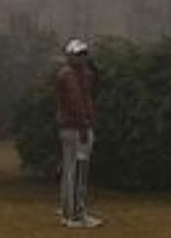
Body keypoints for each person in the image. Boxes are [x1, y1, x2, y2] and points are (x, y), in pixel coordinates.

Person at [54, 38, 101, 229]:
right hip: (75, 128)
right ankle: (74, 214)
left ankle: (75, 211)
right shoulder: (69, 76)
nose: (82, 58)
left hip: (75, 127)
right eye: (78, 55)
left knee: (75, 171)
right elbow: (76, 103)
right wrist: (83, 126)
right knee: (75, 172)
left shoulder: (82, 75)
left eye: (84, 54)